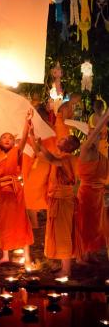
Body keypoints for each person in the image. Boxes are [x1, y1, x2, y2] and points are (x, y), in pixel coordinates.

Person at [0, 103, 34, 270]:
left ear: (13, 142)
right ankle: (5, 255)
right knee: (3, 223)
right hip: (2, 193)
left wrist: (27, 122)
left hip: (16, 192)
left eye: (10, 138)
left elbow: (23, 138)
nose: (7, 139)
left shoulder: (16, 151)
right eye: (4, 137)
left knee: (22, 222)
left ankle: (27, 257)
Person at [37, 134, 81, 277]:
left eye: (64, 139)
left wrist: (41, 145)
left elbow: (51, 159)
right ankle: (63, 266)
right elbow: (44, 156)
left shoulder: (67, 159)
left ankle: (66, 270)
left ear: (69, 146)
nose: (59, 139)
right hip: (59, 198)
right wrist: (31, 136)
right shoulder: (63, 157)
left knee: (63, 234)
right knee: (60, 232)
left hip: (63, 200)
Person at [77, 107, 109, 263]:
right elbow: (96, 131)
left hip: (97, 193)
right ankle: (81, 255)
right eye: (90, 135)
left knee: (96, 224)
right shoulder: (85, 149)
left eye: (95, 135)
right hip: (87, 193)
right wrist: (106, 116)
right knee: (85, 223)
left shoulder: (99, 152)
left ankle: (91, 252)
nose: (94, 137)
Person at [22, 105, 57, 228]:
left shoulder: (44, 130)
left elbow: (38, 150)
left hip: (39, 164)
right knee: (44, 192)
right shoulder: (51, 128)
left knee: (30, 192)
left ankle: (36, 224)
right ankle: (46, 221)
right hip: (46, 164)